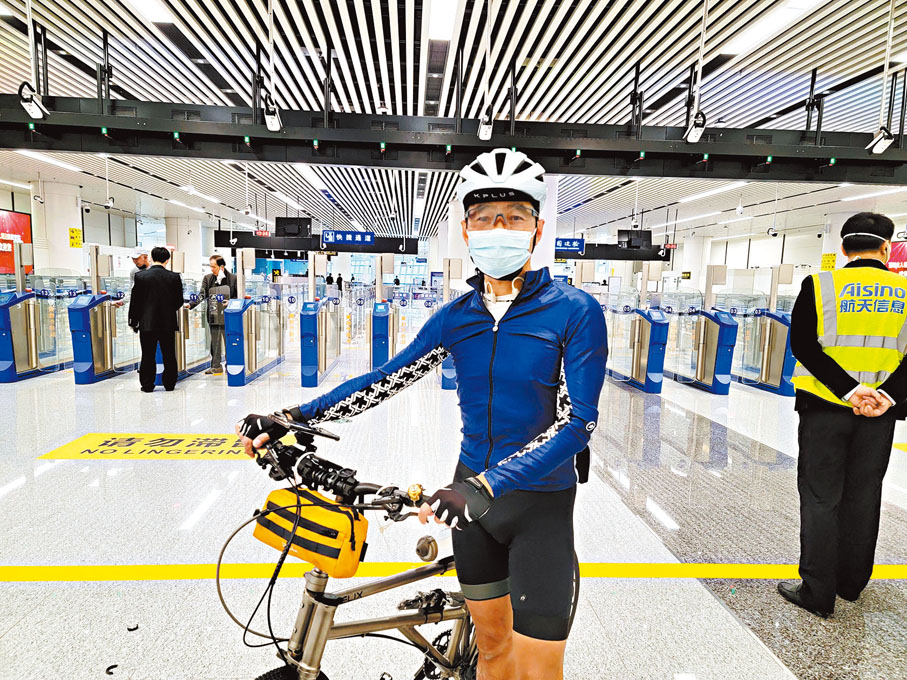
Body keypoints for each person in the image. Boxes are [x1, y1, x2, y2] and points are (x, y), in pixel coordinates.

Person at [237, 148, 607, 679]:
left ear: (536, 227)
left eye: (514, 216)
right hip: (472, 506)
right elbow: (384, 379)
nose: (497, 227)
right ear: (465, 229)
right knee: (494, 652)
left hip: (540, 509)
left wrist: (484, 486)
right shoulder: (456, 317)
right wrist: (292, 414)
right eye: (484, 217)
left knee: (537, 670)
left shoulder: (575, 311)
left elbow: (577, 423)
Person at [781, 212, 907, 618]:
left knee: (820, 497)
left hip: (823, 409)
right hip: (881, 413)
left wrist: (849, 390)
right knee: (864, 496)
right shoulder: (905, 289)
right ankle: (852, 584)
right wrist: (885, 394)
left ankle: (818, 592)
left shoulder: (819, 284)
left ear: (843, 248)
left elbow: (803, 345)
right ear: (886, 247)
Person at [128, 247, 184, 392]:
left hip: (147, 323)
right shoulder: (174, 277)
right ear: (167, 259)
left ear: (151, 258)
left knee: (147, 354)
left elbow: (135, 301)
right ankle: (170, 383)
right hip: (167, 322)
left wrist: (133, 321)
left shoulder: (141, 277)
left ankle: (147, 385)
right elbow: (179, 301)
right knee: (169, 354)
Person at [188, 254, 237, 375]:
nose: (211, 269)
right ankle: (216, 366)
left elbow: (237, 296)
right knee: (214, 342)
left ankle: (230, 366)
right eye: (210, 266)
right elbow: (202, 294)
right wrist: (191, 304)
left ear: (221, 266)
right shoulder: (208, 278)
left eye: (213, 267)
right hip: (213, 315)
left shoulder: (233, 279)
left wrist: (231, 302)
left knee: (228, 341)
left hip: (228, 316)